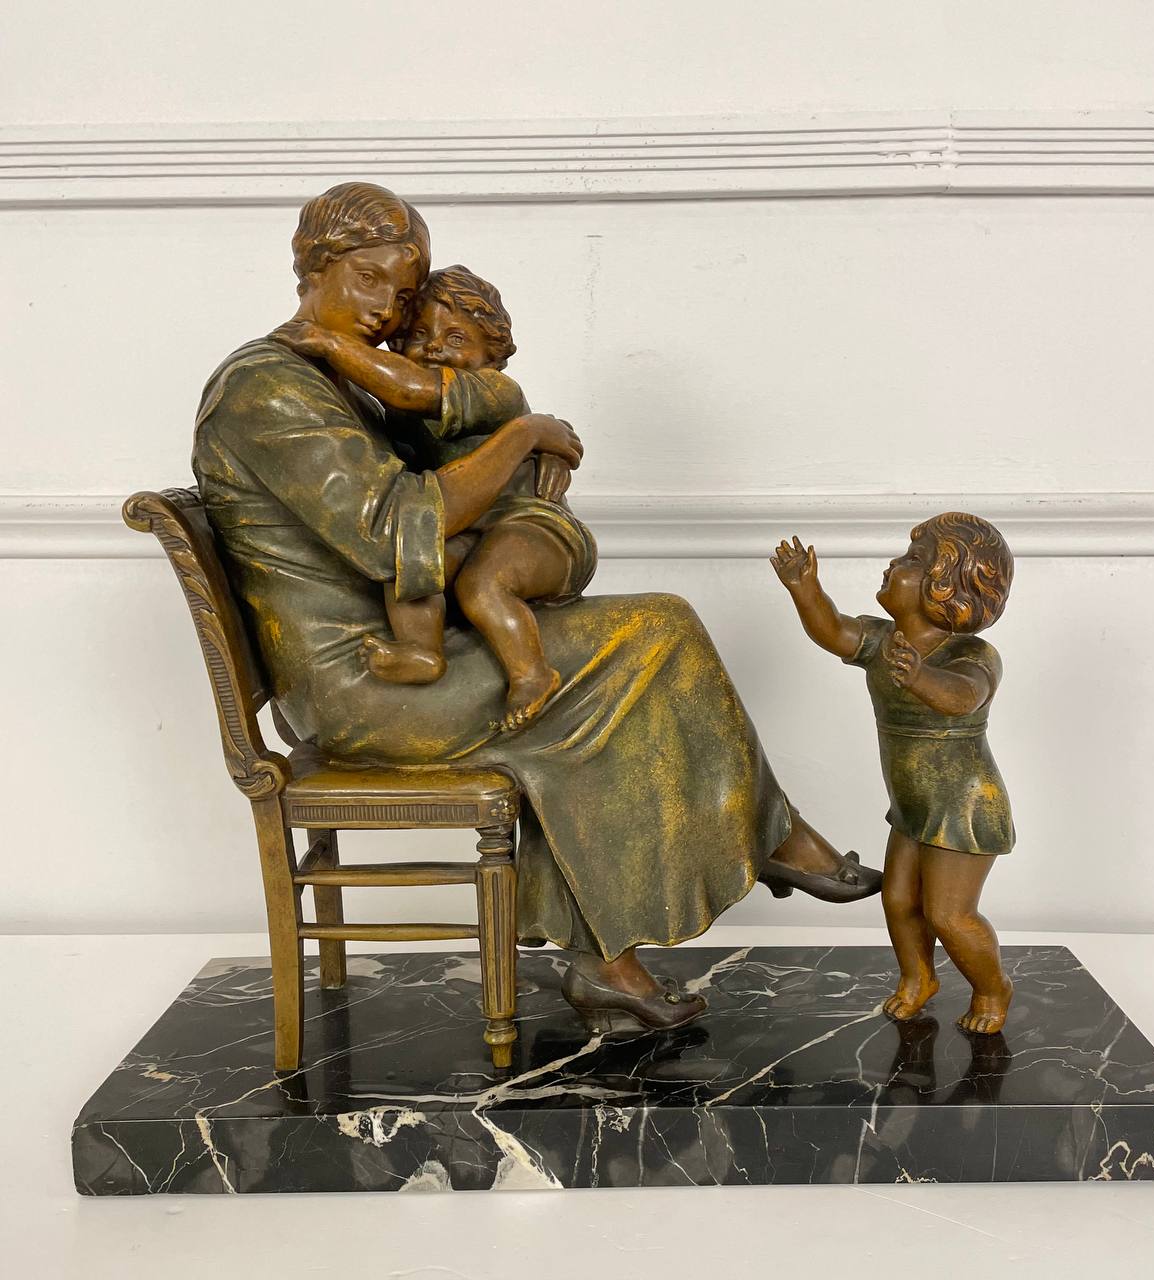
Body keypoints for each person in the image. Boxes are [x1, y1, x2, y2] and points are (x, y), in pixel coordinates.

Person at [193, 182, 881, 1036]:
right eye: (368, 280)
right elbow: (394, 530)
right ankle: (756, 845)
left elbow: (441, 473)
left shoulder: (340, 381)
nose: (385, 310)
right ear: (314, 265)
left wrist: (507, 457)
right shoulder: (267, 388)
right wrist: (524, 436)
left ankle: (622, 955)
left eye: (402, 296)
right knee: (653, 633)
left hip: (412, 647)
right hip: (365, 684)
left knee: (634, 644)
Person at [273, 265, 594, 733]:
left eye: (456, 338)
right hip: (470, 530)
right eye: (418, 334)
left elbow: (411, 388)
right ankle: (422, 650)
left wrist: (330, 343)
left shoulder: (495, 390)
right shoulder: (400, 414)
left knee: (482, 585)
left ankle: (532, 675)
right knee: (414, 561)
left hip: (535, 527)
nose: (434, 347)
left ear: (492, 353)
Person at [771, 513, 1015, 1034]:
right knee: (899, 900)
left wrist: (921, 677)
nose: (894, 564)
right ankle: (918, 978)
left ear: (944, 584)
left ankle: (993, 989)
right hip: (912, 805)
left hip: (964, 806)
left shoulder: (972, 654)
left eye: (912, 560)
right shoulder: (883, 640)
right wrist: (804, 589)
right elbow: (833, 630)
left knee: (949, 915)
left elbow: (963, 696)